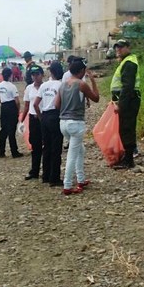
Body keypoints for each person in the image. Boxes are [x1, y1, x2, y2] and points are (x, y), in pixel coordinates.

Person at [54, 57, 99, 195]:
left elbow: (56, 105)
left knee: (80, 150)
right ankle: (67, 185)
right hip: (76, 123)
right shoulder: (81, 84)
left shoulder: (62, 85)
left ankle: (81, 178)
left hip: (63, 123)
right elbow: (96, 98)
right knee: (72, 154)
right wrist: (93, 81)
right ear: (81, 71)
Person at [110, 39, 141, 169]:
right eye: (117, 47)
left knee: (126, 128)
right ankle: (126, 157)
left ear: (128, 47)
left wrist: (120, 106)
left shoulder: (129, 63)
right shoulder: (126, 62)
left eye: (121, 47)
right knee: (125, 127)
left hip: (129, 101)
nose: (118, 49)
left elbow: (127, 87)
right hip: (128, 100)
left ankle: (128, 160)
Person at [33, 62, 64, 187]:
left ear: (51, 72)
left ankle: (45, 175)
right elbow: (60, 104)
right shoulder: (61, 86)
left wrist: (41, 117)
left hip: (45, 115)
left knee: (46, 147)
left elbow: (35, 104)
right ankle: (54, 177)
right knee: (56, 148)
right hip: (55, 115)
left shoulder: (44, 85)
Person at [20, 64, 44, 179]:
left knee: (46, 145)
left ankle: (46, 171)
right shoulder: (29, 88)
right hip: (33, 119)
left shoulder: (45, 87)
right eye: (33, 75)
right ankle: (34, 171)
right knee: (35, 145)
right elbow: (26, 105)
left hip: (44, 118)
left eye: (37, 74)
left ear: (42, 75)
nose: (35, 77)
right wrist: (21, 120)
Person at [0, 67, 23, 158]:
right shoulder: (12, 86)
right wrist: (18, 110)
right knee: (12, 130)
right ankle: (14, 152)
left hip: (3, 107)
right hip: (11, 106)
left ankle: (1, 151)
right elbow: (17, 101)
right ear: (10, 75)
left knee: (3, 129)